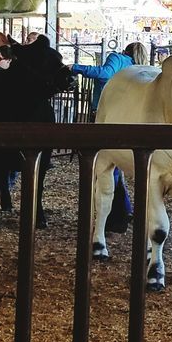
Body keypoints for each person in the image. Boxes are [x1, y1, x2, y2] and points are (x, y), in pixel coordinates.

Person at [71, 41, 147, 233]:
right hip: (129, 117)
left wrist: (75, 67)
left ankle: (114, 213)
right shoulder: (138, 67)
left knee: (105, 164)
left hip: (104, 113)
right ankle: (126, 210)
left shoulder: (117, 58)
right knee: (117, 166)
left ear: (125, 50)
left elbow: (104, 73)